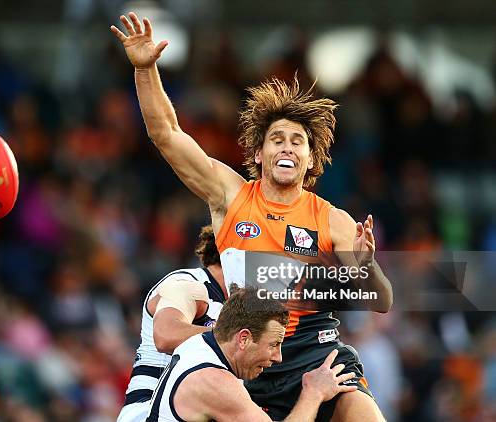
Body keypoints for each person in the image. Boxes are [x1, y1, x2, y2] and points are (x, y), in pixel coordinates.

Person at [111, 12, 392, 421]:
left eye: (298, 142)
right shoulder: (230, 195)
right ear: (258, 154)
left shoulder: (334, 221)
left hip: (312, 351)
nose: (287, 147)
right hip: (248, 352)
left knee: (361, 412)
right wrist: (145, 69)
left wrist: (366, 269)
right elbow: (167, 134)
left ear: (311, 158)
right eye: (276, 138)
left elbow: (382, 301)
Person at [146, 287, 357, 421]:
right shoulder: (214, 381)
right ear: (244, 338)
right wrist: (314, 393)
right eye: (274, 344)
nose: (278, 357)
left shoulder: (201, 344)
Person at [118, 226, 228, 422]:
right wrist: (233, 337)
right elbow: (166, 335)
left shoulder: (233, 304)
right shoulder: (188, 282)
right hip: (149, 410)